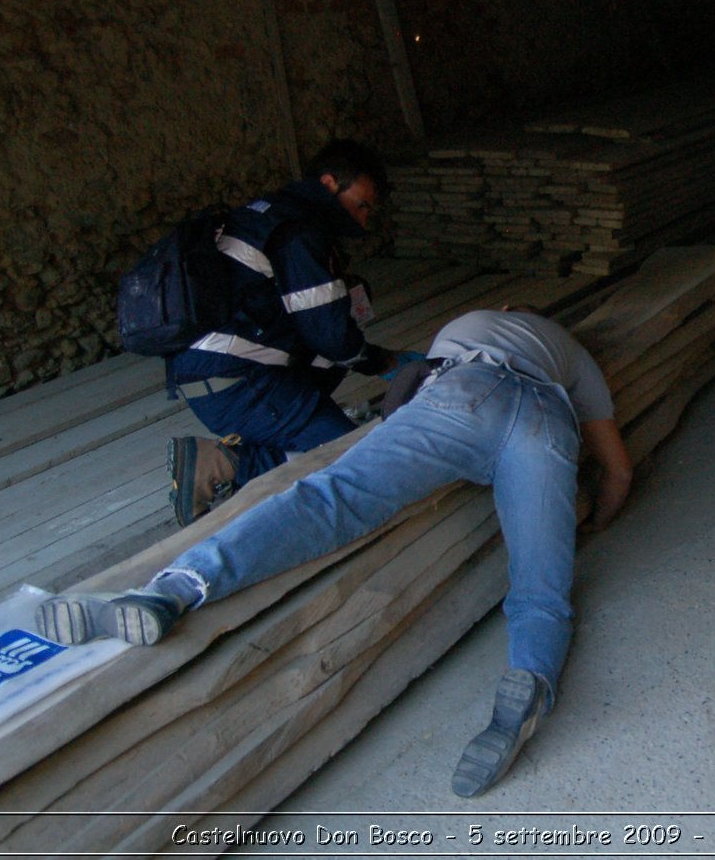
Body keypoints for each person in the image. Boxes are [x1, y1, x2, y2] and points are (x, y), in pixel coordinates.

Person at [36, 306, 635, 798]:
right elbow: (616, 472)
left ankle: (174, 588)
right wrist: (593, 525)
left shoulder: (471, 320)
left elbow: (408, 387)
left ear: (511, 313)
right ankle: (528, 681)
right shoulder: (576, 363)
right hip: (546, 422)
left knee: (331, 500)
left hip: (464, 389)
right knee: (540, 590)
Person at [165, 139, 419, 526]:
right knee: (358, 459)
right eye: (361, 205)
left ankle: (282, 429)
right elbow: (332, 337)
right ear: (330, 183)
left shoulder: (269, 215)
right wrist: (390, 363)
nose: (364, 220)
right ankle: (223, 462)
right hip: (238, 385)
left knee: (352, 298)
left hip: (214, 376)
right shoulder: (299, 233)